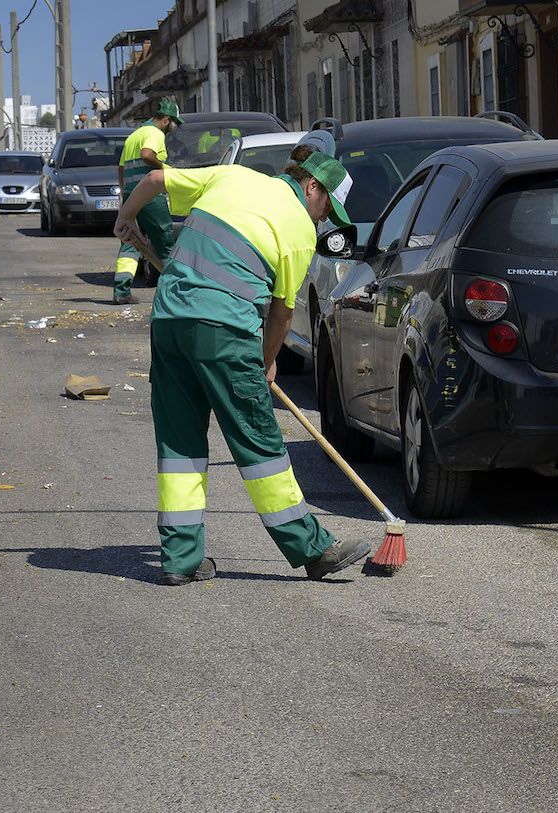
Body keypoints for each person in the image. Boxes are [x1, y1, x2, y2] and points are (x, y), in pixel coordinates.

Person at [113, 145, 371, 585]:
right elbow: (282, 314)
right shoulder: (299, 229)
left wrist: (125, 218)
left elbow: (156, 180)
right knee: (258, 441)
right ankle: (311, 549)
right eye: (327, 208)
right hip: (224, 331)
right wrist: (266, 362)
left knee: (179, 443)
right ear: (312, 186)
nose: (323, 220)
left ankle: (180, 559)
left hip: (170, 321)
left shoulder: (233, 176)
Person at [111, 98, 183, 305]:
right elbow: (147, 155)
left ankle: (121, 291)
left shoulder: (134, 135)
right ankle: (177, 292)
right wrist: (165, 170)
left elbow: (122, 168)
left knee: (130, 241)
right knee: (164, 241)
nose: (174, 128)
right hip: (150, 196)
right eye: (174, 123)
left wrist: (126, 195)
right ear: (167, 120)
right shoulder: (154, 133)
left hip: (131, 195)